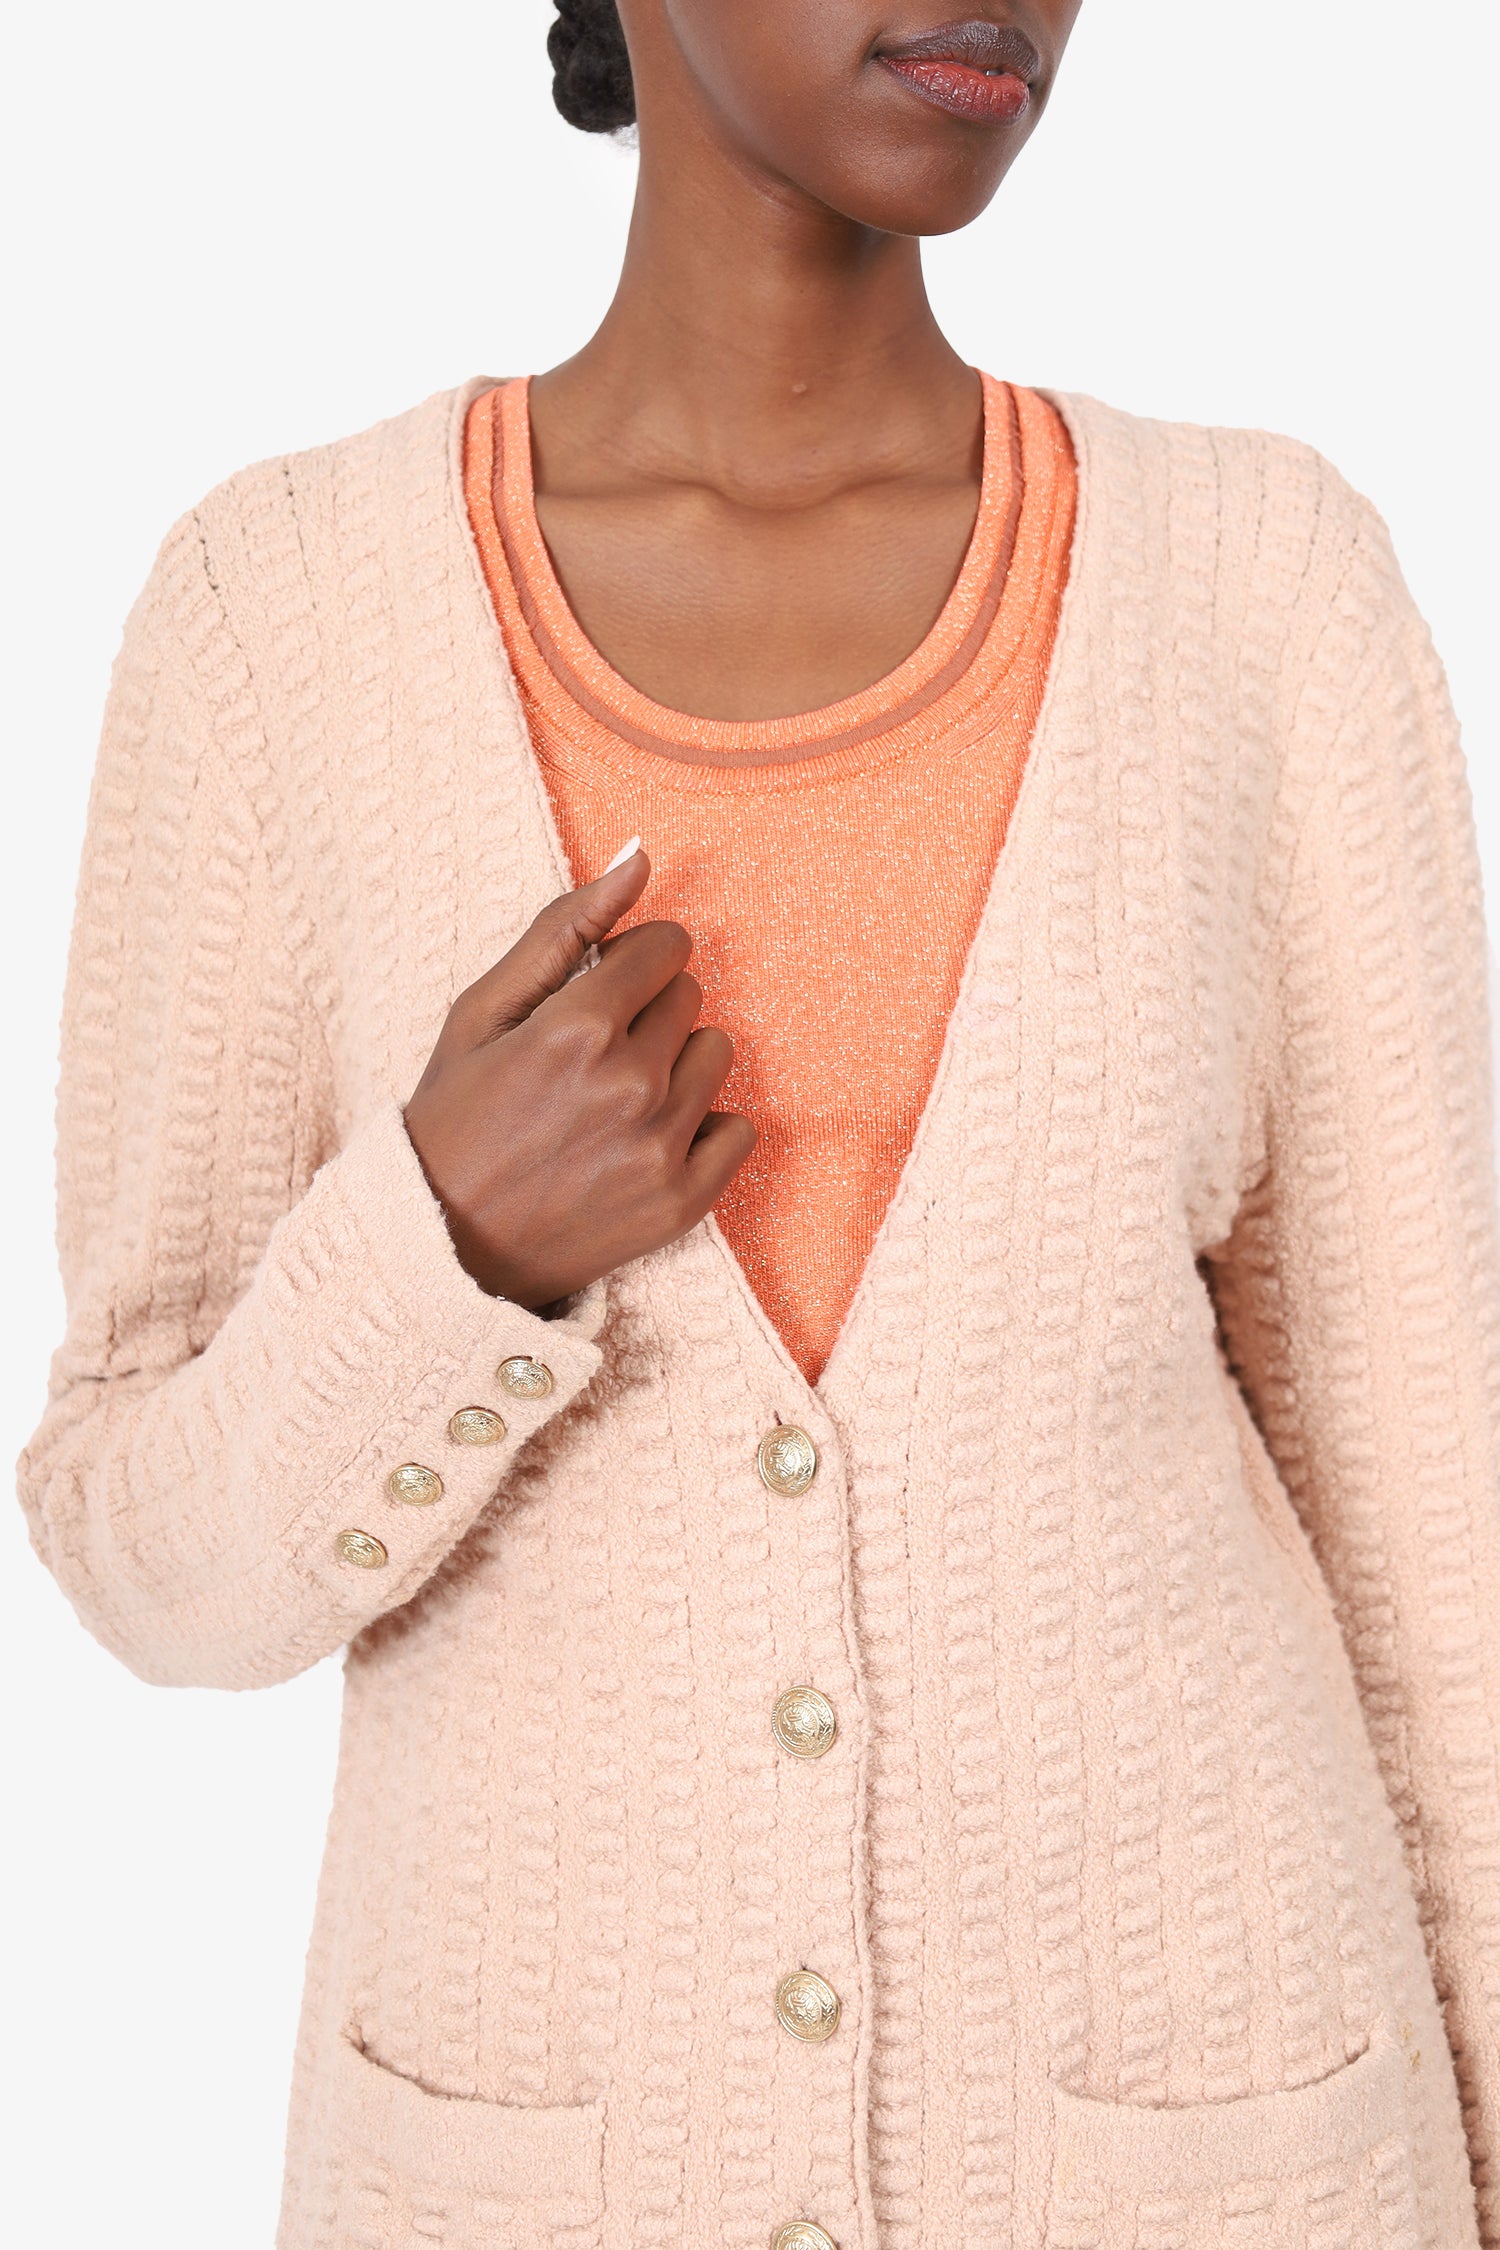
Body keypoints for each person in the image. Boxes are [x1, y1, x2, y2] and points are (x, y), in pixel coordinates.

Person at [18, 2, 1500, 2244]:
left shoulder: (1263, 589)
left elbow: (1444, 1555)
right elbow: (142, 1550)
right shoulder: (276, 618)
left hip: (1221, 2160)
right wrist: (443, 1245)